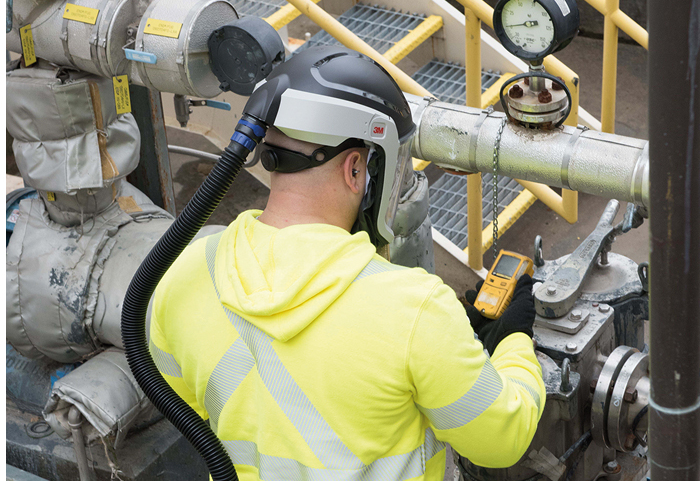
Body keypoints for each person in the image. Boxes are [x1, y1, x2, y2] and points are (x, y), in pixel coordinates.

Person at [148, 47, 545, 481]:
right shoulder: (415, 310)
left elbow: (186, 402)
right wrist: (514, 344)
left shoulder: (185, 273)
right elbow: (501, 441)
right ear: (355, 169)